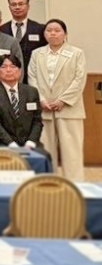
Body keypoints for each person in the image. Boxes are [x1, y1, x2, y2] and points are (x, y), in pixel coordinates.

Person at [27, 19, 86, 181]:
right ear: (44, 34)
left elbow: (79, 80)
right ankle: (47, 183)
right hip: (44, 108)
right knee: (46, 150)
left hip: (69, 109)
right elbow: (32, 78)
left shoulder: (76, 53)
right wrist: (41, 100)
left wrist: (63, 100)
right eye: (49, 30)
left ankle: (75, 186)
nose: (53, 33)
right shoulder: (37, 54)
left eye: (57, 30)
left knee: (72, 152)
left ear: (65, 34)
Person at [0, 54, 44, 152]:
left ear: (20, 71)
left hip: (28, 143)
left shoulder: (31, 91)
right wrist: (11, 144)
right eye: (4, 67)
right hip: (3, 143)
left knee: (43, 157)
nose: (8, 70)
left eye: (13, 66)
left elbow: (37, 121)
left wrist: (30, 143)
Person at [2, 0, 47, 64]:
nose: (17, 7)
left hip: (32, 72)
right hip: (9, 72)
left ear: (28, 6)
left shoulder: (40, 29)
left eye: (21, 4)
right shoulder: (1, 30)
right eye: (13, 4)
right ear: (9, 8)